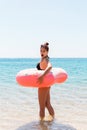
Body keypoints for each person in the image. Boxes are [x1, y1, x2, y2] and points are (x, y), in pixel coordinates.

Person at [36, 42, 55, 121]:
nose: (42, 52)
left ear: (47, 52)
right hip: (46, 84)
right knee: (47, 104)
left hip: (43, 84)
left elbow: (50, 66)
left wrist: (42, 75)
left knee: (42, 106)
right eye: (41, 51)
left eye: (43, 51)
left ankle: (41, 124)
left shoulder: (46, 59)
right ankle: (53, 119)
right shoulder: (44, 58)